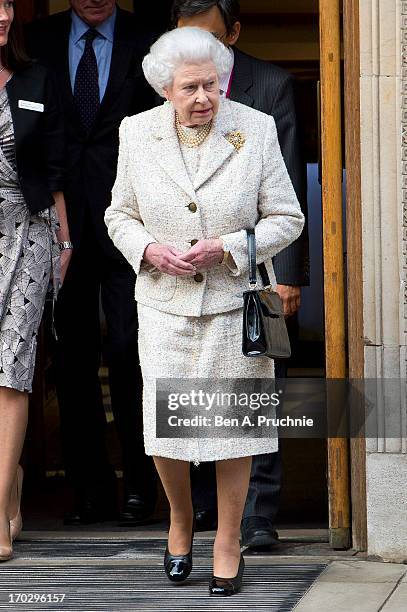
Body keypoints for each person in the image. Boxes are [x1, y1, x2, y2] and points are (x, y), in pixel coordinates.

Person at [105, 27, 304, 596]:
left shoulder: (256, 128)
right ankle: (181, 520)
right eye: (190, 87)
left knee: (232, 429)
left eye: (211, 85)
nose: (203, 98)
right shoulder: (136, 133)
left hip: (232, 303)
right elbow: (118, 214)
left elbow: (286, 219)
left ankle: (227, 540)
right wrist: (146, 249)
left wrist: (230, 247)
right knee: (167, 430)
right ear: (165, 88)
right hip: (164, 304)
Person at [172, 0, 309, 548]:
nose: (197, 54)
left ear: (233, 32)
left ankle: (259, 513)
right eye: (184, 42)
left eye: (209, 40)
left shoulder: (271, 85)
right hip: (190, 273)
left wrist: (290, 275)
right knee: (195, 384)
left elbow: (291, 185)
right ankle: (203, 506)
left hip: (261, 265)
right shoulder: (169, 85)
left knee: (257, 384)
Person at [24, 1, 158, 525]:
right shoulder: (37, 40)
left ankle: (141, 486)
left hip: (134, 220)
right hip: (59, 221)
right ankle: (89, 490)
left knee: (132, 350)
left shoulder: (149, 37)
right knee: (73, 357)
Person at [0, 0, 70, 562]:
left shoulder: (35, 78)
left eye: (4, 4)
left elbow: (53, 167)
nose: (1, 15)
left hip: (26, 231)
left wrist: (64, 241)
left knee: (12, 371)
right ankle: (11, 482)